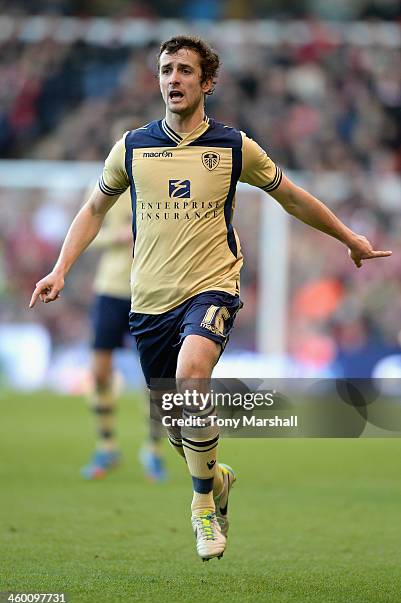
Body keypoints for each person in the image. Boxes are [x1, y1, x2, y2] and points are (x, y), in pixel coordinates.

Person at [29, 35, 391, 561]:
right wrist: (61, 268)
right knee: (177, 428)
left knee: (192, 375)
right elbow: (92, 210)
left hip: (212, 287)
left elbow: (290, 195)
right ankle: (216, 478)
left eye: (184, 71)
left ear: (208, 82)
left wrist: (349, 238)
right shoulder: (131, 147)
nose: (172, 79)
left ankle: (202, 511)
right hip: (149, 300)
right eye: (165, 70)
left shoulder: (233, 146)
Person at [81, 117, 166, 481]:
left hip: (152, 290)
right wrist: (115, 237)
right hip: (112, 289)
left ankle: (153, 449)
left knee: (157, 380)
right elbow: (88, 227)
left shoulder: (161, 185)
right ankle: (107, 447)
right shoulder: (105, 184)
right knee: (100, 370)